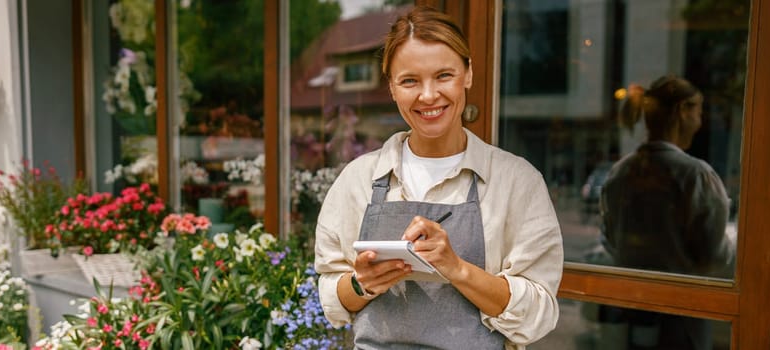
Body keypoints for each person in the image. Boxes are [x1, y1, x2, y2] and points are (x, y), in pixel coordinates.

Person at [313, 6, 564, 349]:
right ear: (392, 88)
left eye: (444, 75)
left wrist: (456, 268)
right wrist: (361, 283)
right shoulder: (357, 180)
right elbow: (331, 296)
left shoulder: (517, 182)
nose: (428, 96)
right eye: (409, 81)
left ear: (468, 73)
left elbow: (539, 313)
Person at [599, 76, 735, 349]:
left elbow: (611, 242)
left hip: (630, 313)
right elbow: (713, 258)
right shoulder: (696, 175)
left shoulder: (620, 173)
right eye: (698, 111)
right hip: (681, 322)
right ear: (683, 110)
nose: (701, 121)